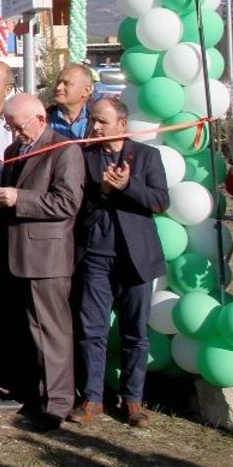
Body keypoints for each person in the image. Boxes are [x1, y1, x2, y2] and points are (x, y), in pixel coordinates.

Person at [0, 93, 84, 432]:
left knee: (52, 331)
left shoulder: (65, 150)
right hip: (17, 254)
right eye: (10, 128)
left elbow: (67, 203)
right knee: (30, 329)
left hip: (48, 257)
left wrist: (19, 198)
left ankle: (58, 403)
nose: (14, 135)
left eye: (19, 127)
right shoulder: (14, 151)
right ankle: (38, 393)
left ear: (40, 119)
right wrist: (3, 201)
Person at [69, 98, 166, 428]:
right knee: (91, 330)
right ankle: (92, 398)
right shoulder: (84, 157)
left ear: (122, 125)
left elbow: (160, 201)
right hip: (96, 258)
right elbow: (79, 208)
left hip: (136, 260)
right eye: (92, 120)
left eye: (102, 121)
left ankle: (134, 400)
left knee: (135, 333)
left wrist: (128, 186)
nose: (94, 126)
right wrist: (106, 192)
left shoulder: (147, 156)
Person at [49, 64, 93, 139]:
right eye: (58, 82)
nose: (58, 87)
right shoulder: (44, 119)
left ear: (86, 91)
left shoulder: (96, 122)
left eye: (66, 84)